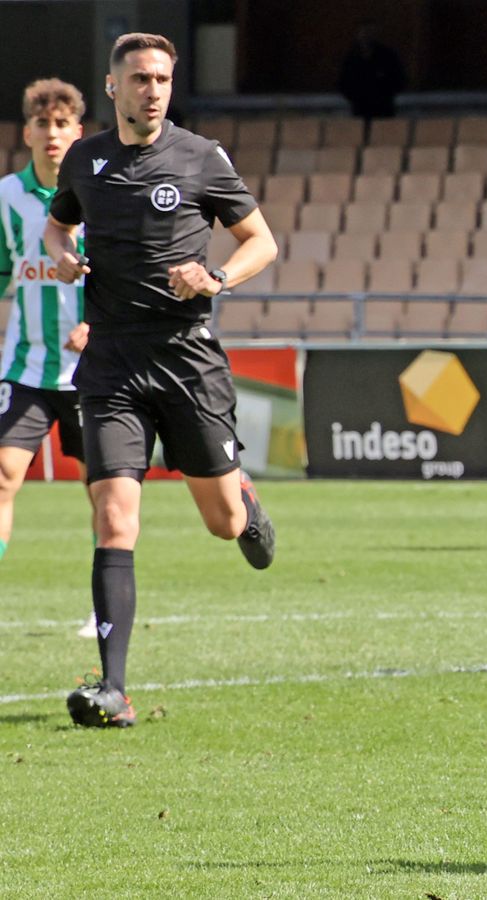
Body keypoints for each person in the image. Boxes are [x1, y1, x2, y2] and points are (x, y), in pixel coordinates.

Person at [44, 32, 280, 728]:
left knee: (222, 523)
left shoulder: (201, 158)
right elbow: (59, 228)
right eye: (140, 78)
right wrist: (62, 257)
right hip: (111, 363)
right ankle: (112, 690)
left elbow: (261, 241)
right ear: (113, 86)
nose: (152, 89)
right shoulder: (85, 160)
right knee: (115, 517)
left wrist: (214, 277)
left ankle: (242, 496)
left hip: (186, 359)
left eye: (163, 79)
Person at [0, 79, 97, 637]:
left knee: (102, 490)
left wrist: (97, 325)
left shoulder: (99, 193)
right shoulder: (7, 197)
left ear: (77, 132)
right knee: (4, 475)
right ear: (28, 132)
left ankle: (102, 605)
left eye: (63, 124)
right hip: (26, 369)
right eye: (44, 124)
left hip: (92, 372)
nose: (53, 133)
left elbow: (125, 275)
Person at [337, 22, 407, 123]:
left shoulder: (387, 56)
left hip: (383, 109)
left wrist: (384, 94)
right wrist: (355, 97)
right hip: (359, 108)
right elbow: (343, 81)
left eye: (370, 33)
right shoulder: (352, 58)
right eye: (364, 33)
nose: (366, 36)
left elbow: (399, 79)